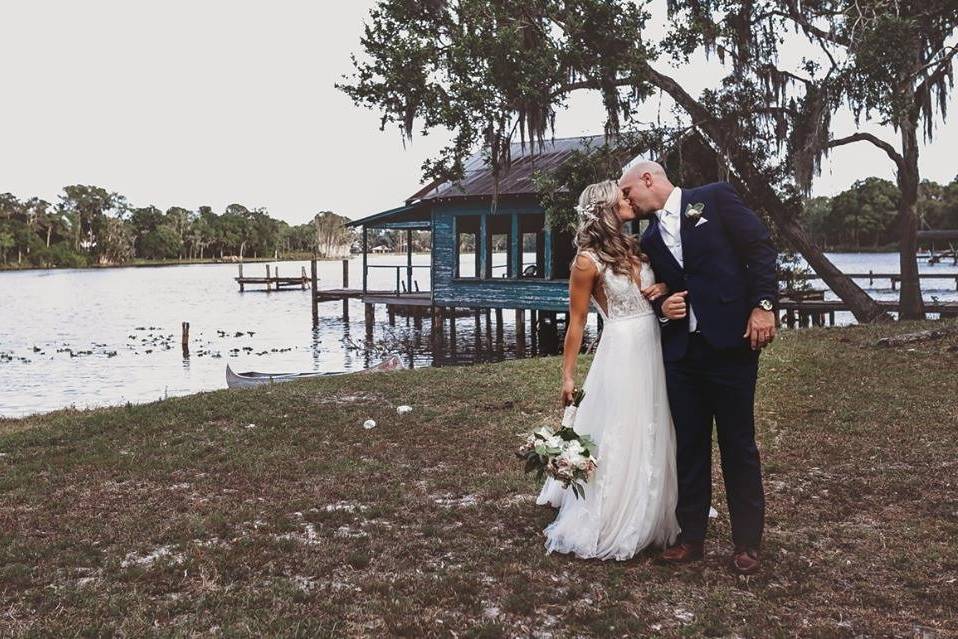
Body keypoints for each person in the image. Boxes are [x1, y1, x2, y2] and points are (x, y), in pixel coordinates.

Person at [618, 161, 778, 575]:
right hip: (682, 355)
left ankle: (747, 543)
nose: (626, 200)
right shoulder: (649, 238)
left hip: (730, 345)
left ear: (648, 179)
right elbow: (659, 289)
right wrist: (662, 305)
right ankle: (692, 537)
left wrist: (763, 307)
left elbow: (760, 248)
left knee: (737, 443)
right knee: (688, 444)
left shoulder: (715, 198)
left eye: (628, 191)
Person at [536, 179, 680, 561]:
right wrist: (568, 376)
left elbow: (657, 291)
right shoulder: (587, 261)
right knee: (622, 425)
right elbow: (578, 322)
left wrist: (663, 287)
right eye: (622, 195)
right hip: (621, 348)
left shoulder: (639, 247)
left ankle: (656, 505)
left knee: (654, 420)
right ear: (606, 206)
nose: (629, 198)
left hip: (653, 343)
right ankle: (616, 510)